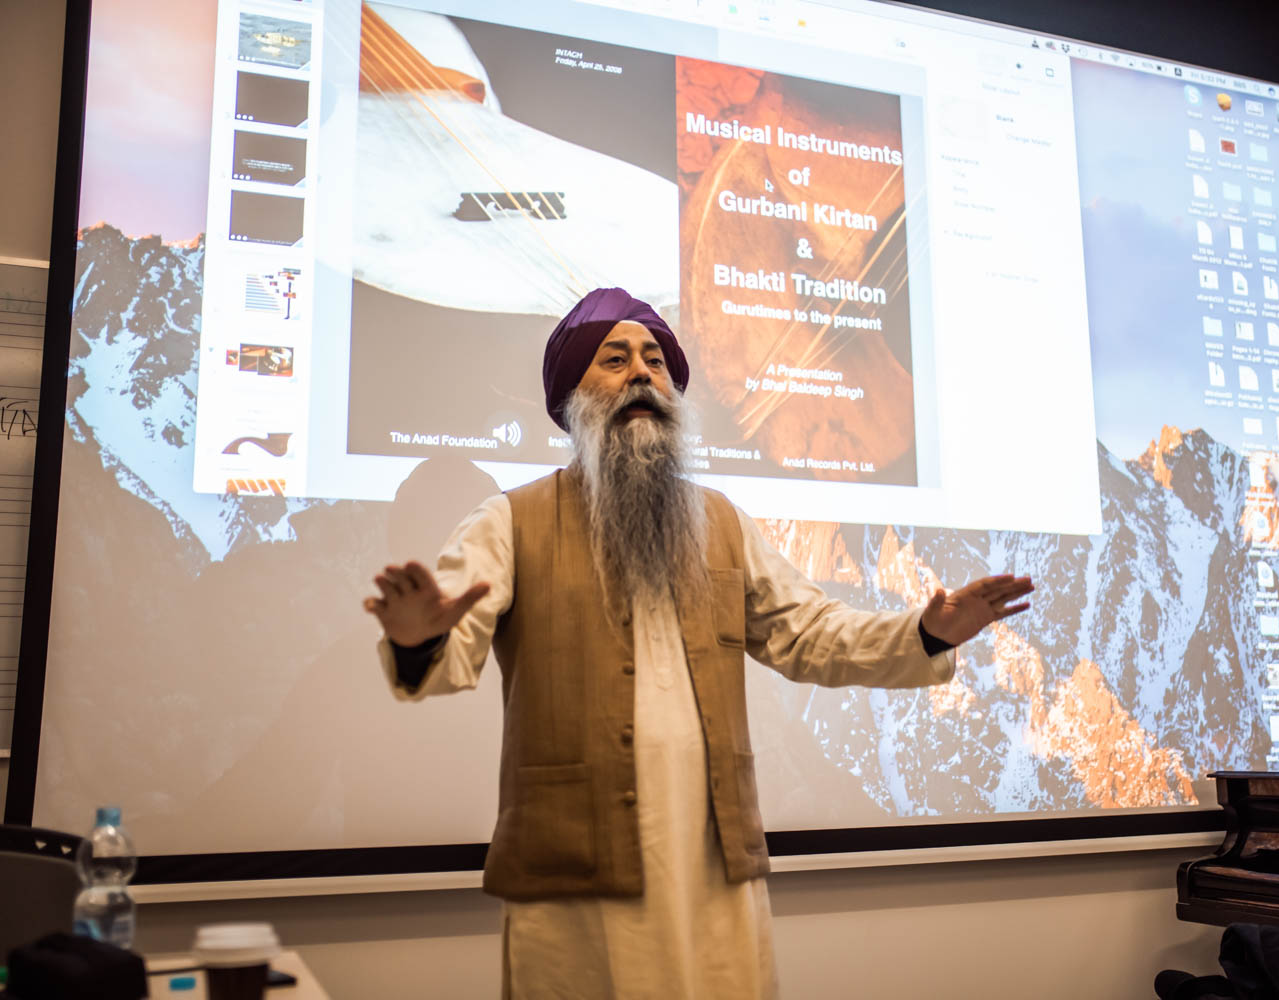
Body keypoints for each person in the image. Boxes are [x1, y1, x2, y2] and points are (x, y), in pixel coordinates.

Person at [363, 287, 1034, 999]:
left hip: (713, 866)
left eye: (654, 360)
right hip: (575, 879)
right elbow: (454, 647)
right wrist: (418, 641)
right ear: (572, 398)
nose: (641, 374)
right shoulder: (508, 521)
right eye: (614, 360)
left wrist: (927, 632)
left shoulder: (721, 523)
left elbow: (811, 631)